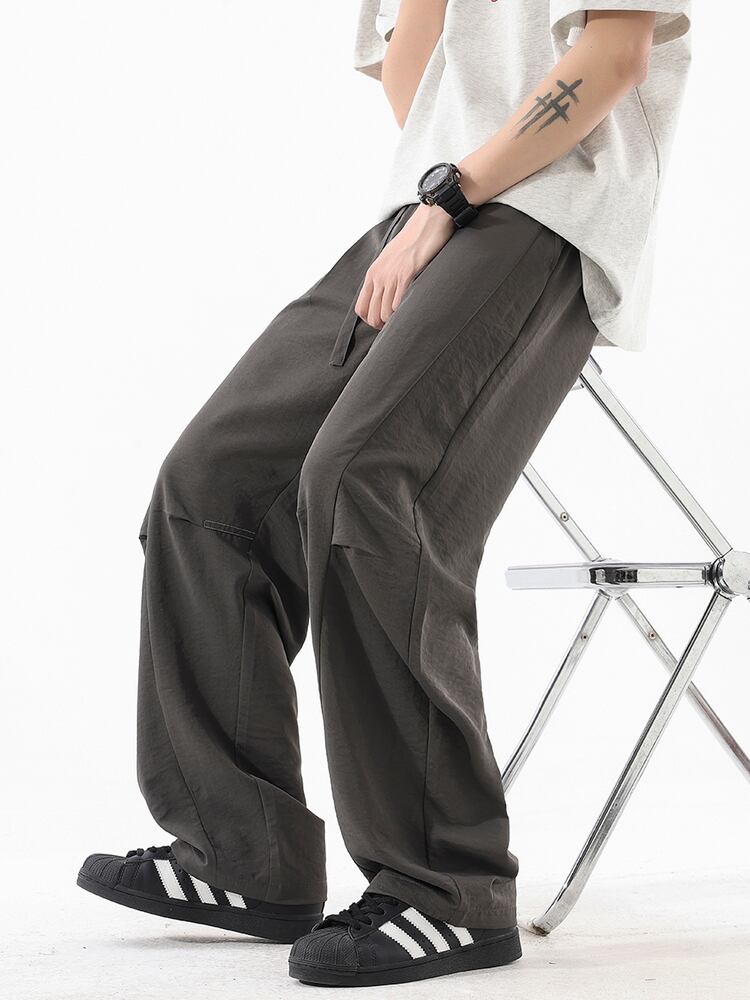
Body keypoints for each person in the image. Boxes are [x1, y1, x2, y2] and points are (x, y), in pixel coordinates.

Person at [77, 0, 692, 987]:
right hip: (430, 214)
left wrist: (455, 195)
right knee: (213, 485)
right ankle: (240, 850)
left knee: (367, 482)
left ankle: (447, 888)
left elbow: (614, 59)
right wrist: (439, 199)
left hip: (548, 208)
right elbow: (421, 86)